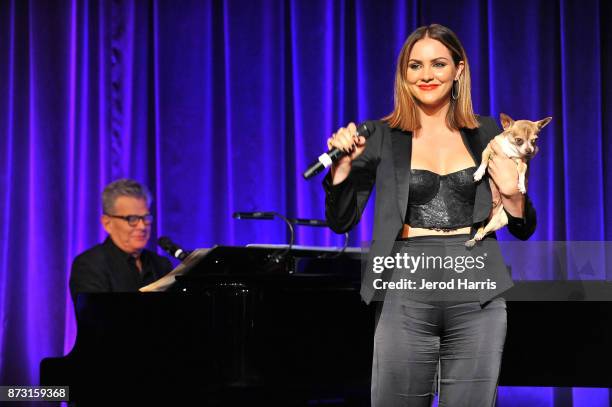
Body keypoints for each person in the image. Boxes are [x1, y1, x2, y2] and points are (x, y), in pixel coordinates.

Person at [323, 24, 536, 406]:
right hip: (405, 287)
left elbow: (523, 226)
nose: (426, 75)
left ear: (458, 69)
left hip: (477, 290)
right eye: (414, 66)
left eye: (438, 64)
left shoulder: (488, 131)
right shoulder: (382, 135)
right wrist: (341, 170)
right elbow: (341, 221)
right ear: (403, 74)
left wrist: (511, 194)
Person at [69, 179, 172, 303]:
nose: (142, 226)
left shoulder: (161, 265)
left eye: (145, 218)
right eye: (132, 218)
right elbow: (96, 318)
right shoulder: (89, 265)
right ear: (107, 223)